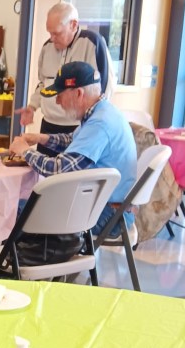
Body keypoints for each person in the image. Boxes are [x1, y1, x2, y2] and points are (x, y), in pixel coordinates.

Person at [9, 61, 137, 235]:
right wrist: (41, 138)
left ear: (78, 93)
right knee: (25, 204)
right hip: (106, 207)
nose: (57, 101)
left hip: (107, 215)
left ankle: (27, 253)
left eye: (60, 94)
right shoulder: (102, 111)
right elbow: (73, 141)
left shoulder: (100, 124)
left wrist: (24, 151)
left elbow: (57, 169)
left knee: (13, 209)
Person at [20, 1, 115, 155]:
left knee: (64, 168)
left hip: (77, 127)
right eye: (49, 33)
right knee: (41, 168)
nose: (52, 38)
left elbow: (104, 88)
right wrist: (32, 107)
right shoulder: (47, 47)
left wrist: (93, 124)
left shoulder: (92, 43)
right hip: (49, 124)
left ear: (73, 25)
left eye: (56, 33)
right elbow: (43, 83)